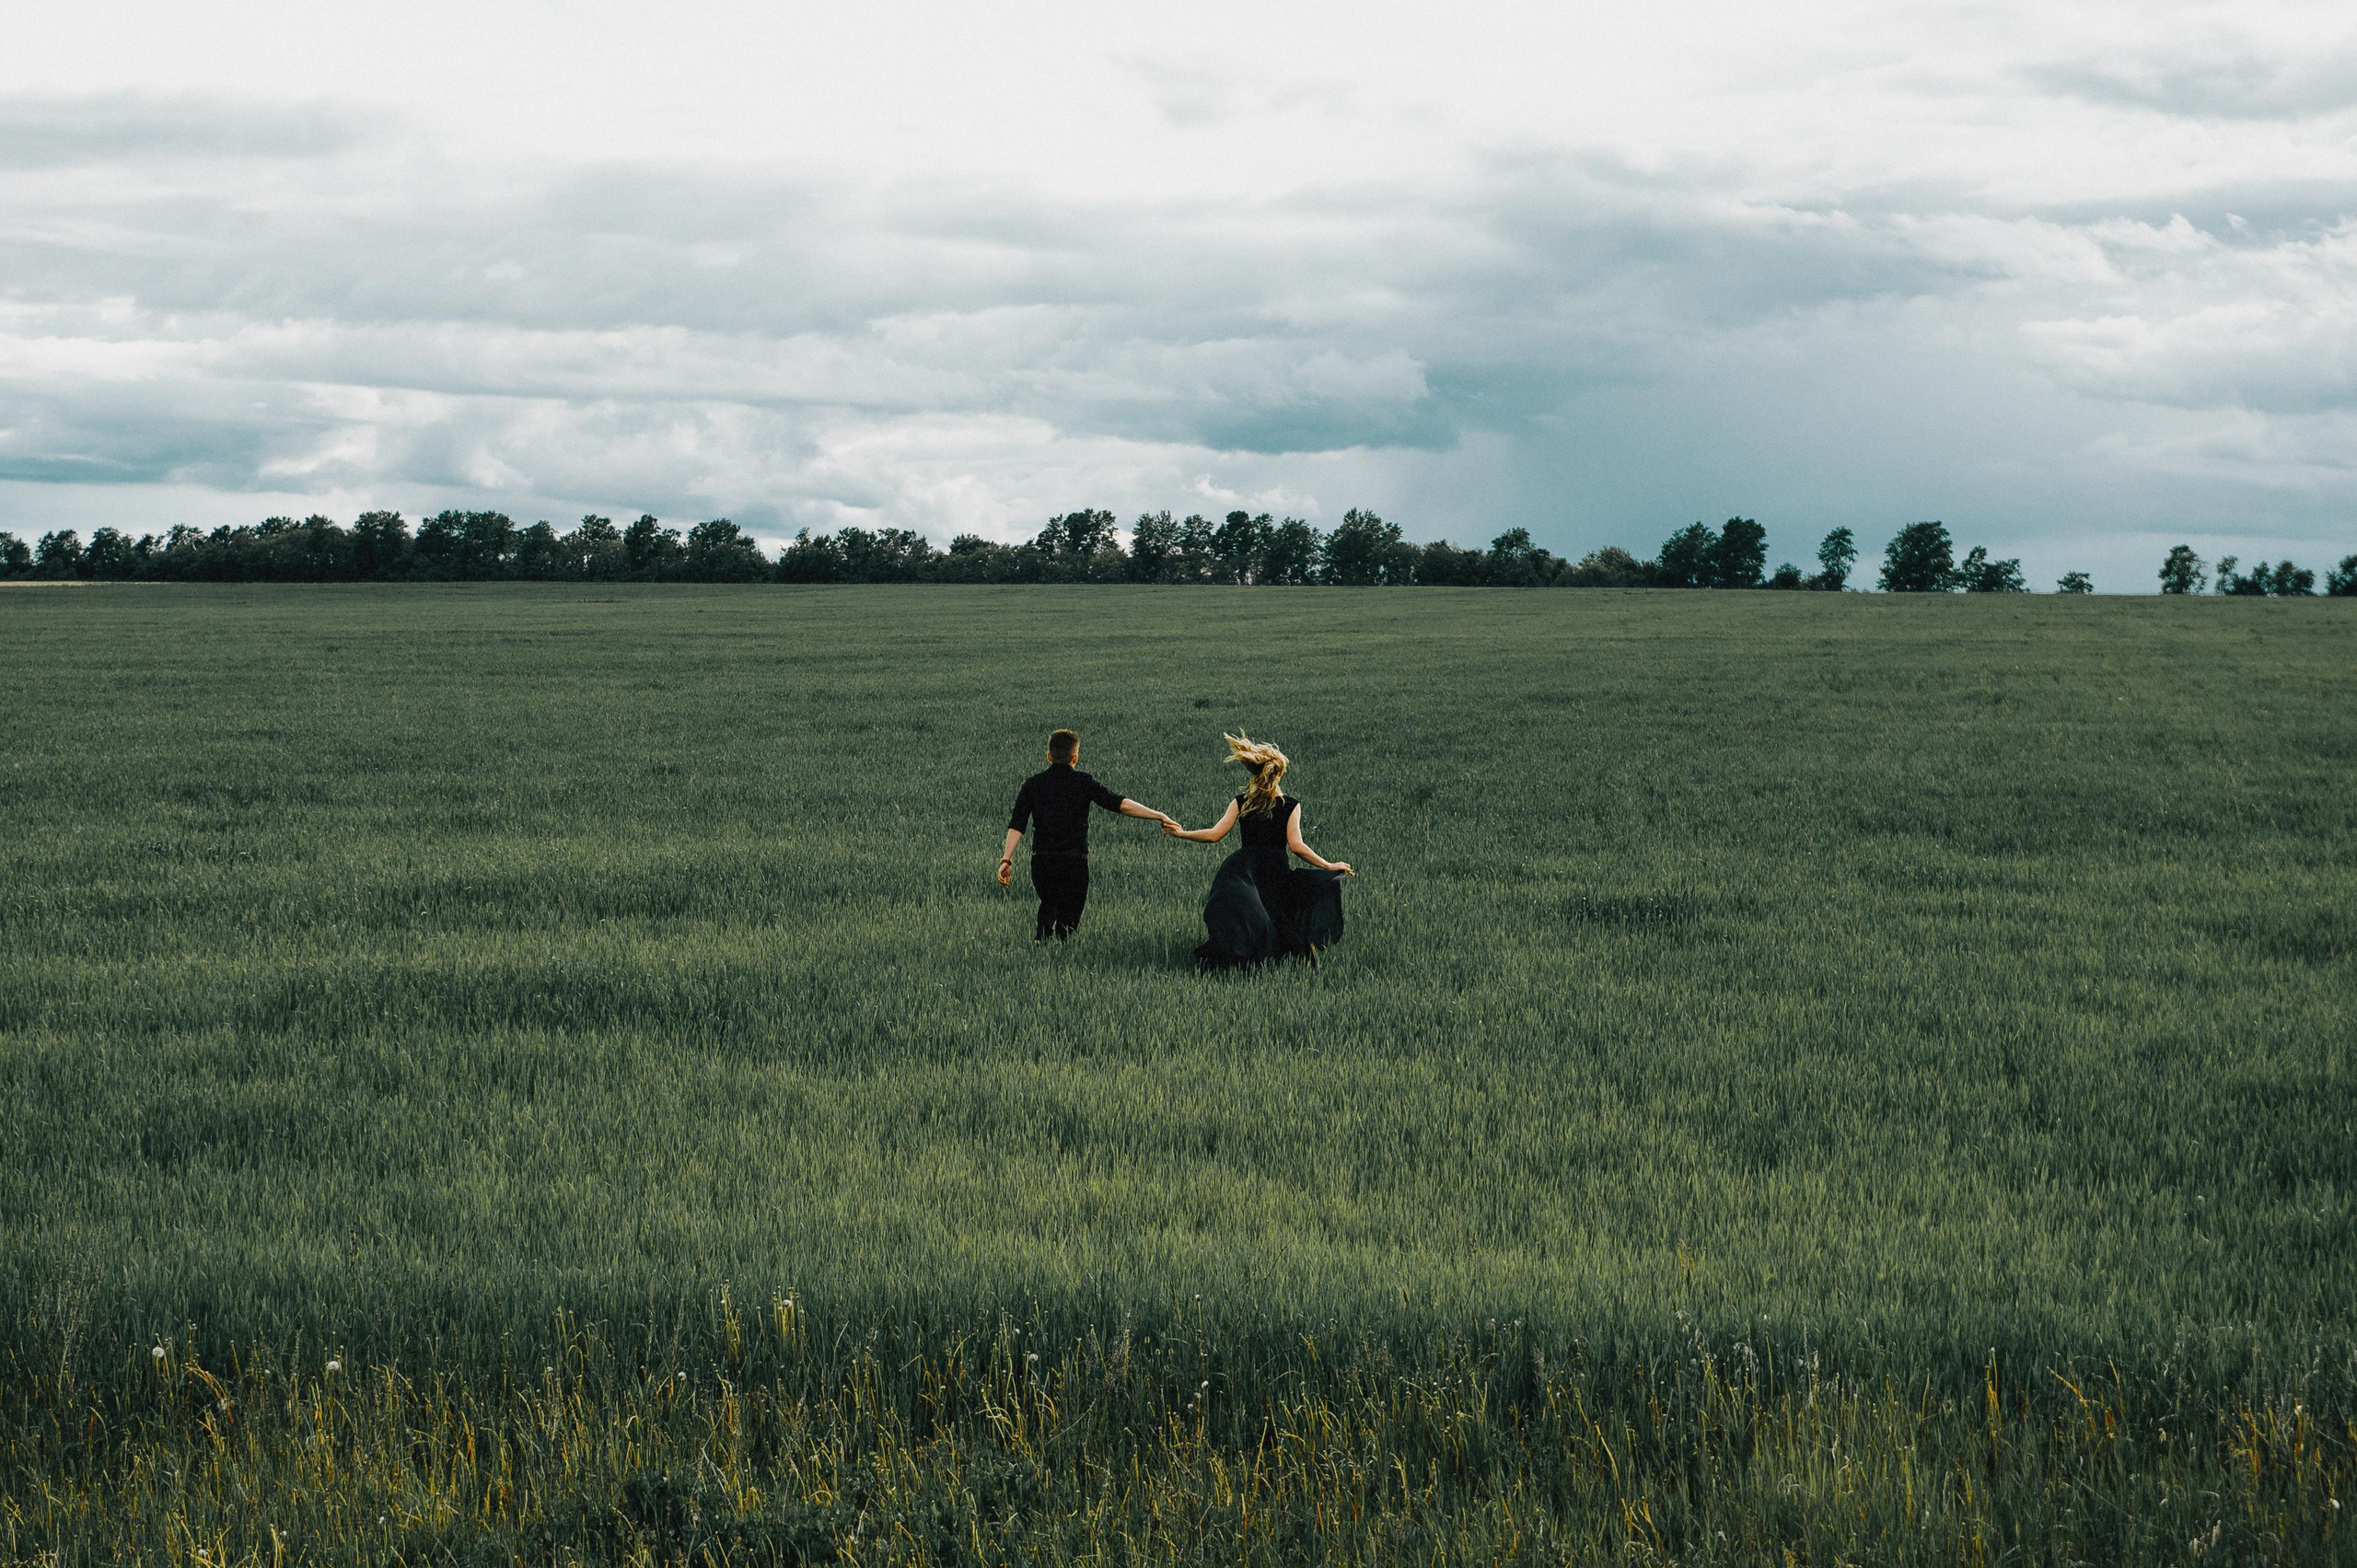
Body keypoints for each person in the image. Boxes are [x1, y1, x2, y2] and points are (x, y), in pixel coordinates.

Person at [1162, 733, 1353, 969]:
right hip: (1274, 871)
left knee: (1255, 916)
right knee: (1276, 916)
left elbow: (1214, 834)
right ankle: (1267, 963)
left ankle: (1244, 960)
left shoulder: (1242, 801)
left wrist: (1182, 833)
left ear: (1254, 772)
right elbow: (1297, 847)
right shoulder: (1290, 805)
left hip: (1243, 869)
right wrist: (1329, 865)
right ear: (1279, 773)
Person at [1000, 729, 1176, 941]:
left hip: (1042, 859)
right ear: (1075, 758)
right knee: (1070, 915)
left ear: (1048, 756)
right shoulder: (1084, 782)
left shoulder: (1032, 785)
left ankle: (1042, 940)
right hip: (1074, 861)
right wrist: (1158, 815)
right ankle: (1061, 947)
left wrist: (1006, 860)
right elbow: (1119, 804)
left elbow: (1017, 825)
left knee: (1049, 901)